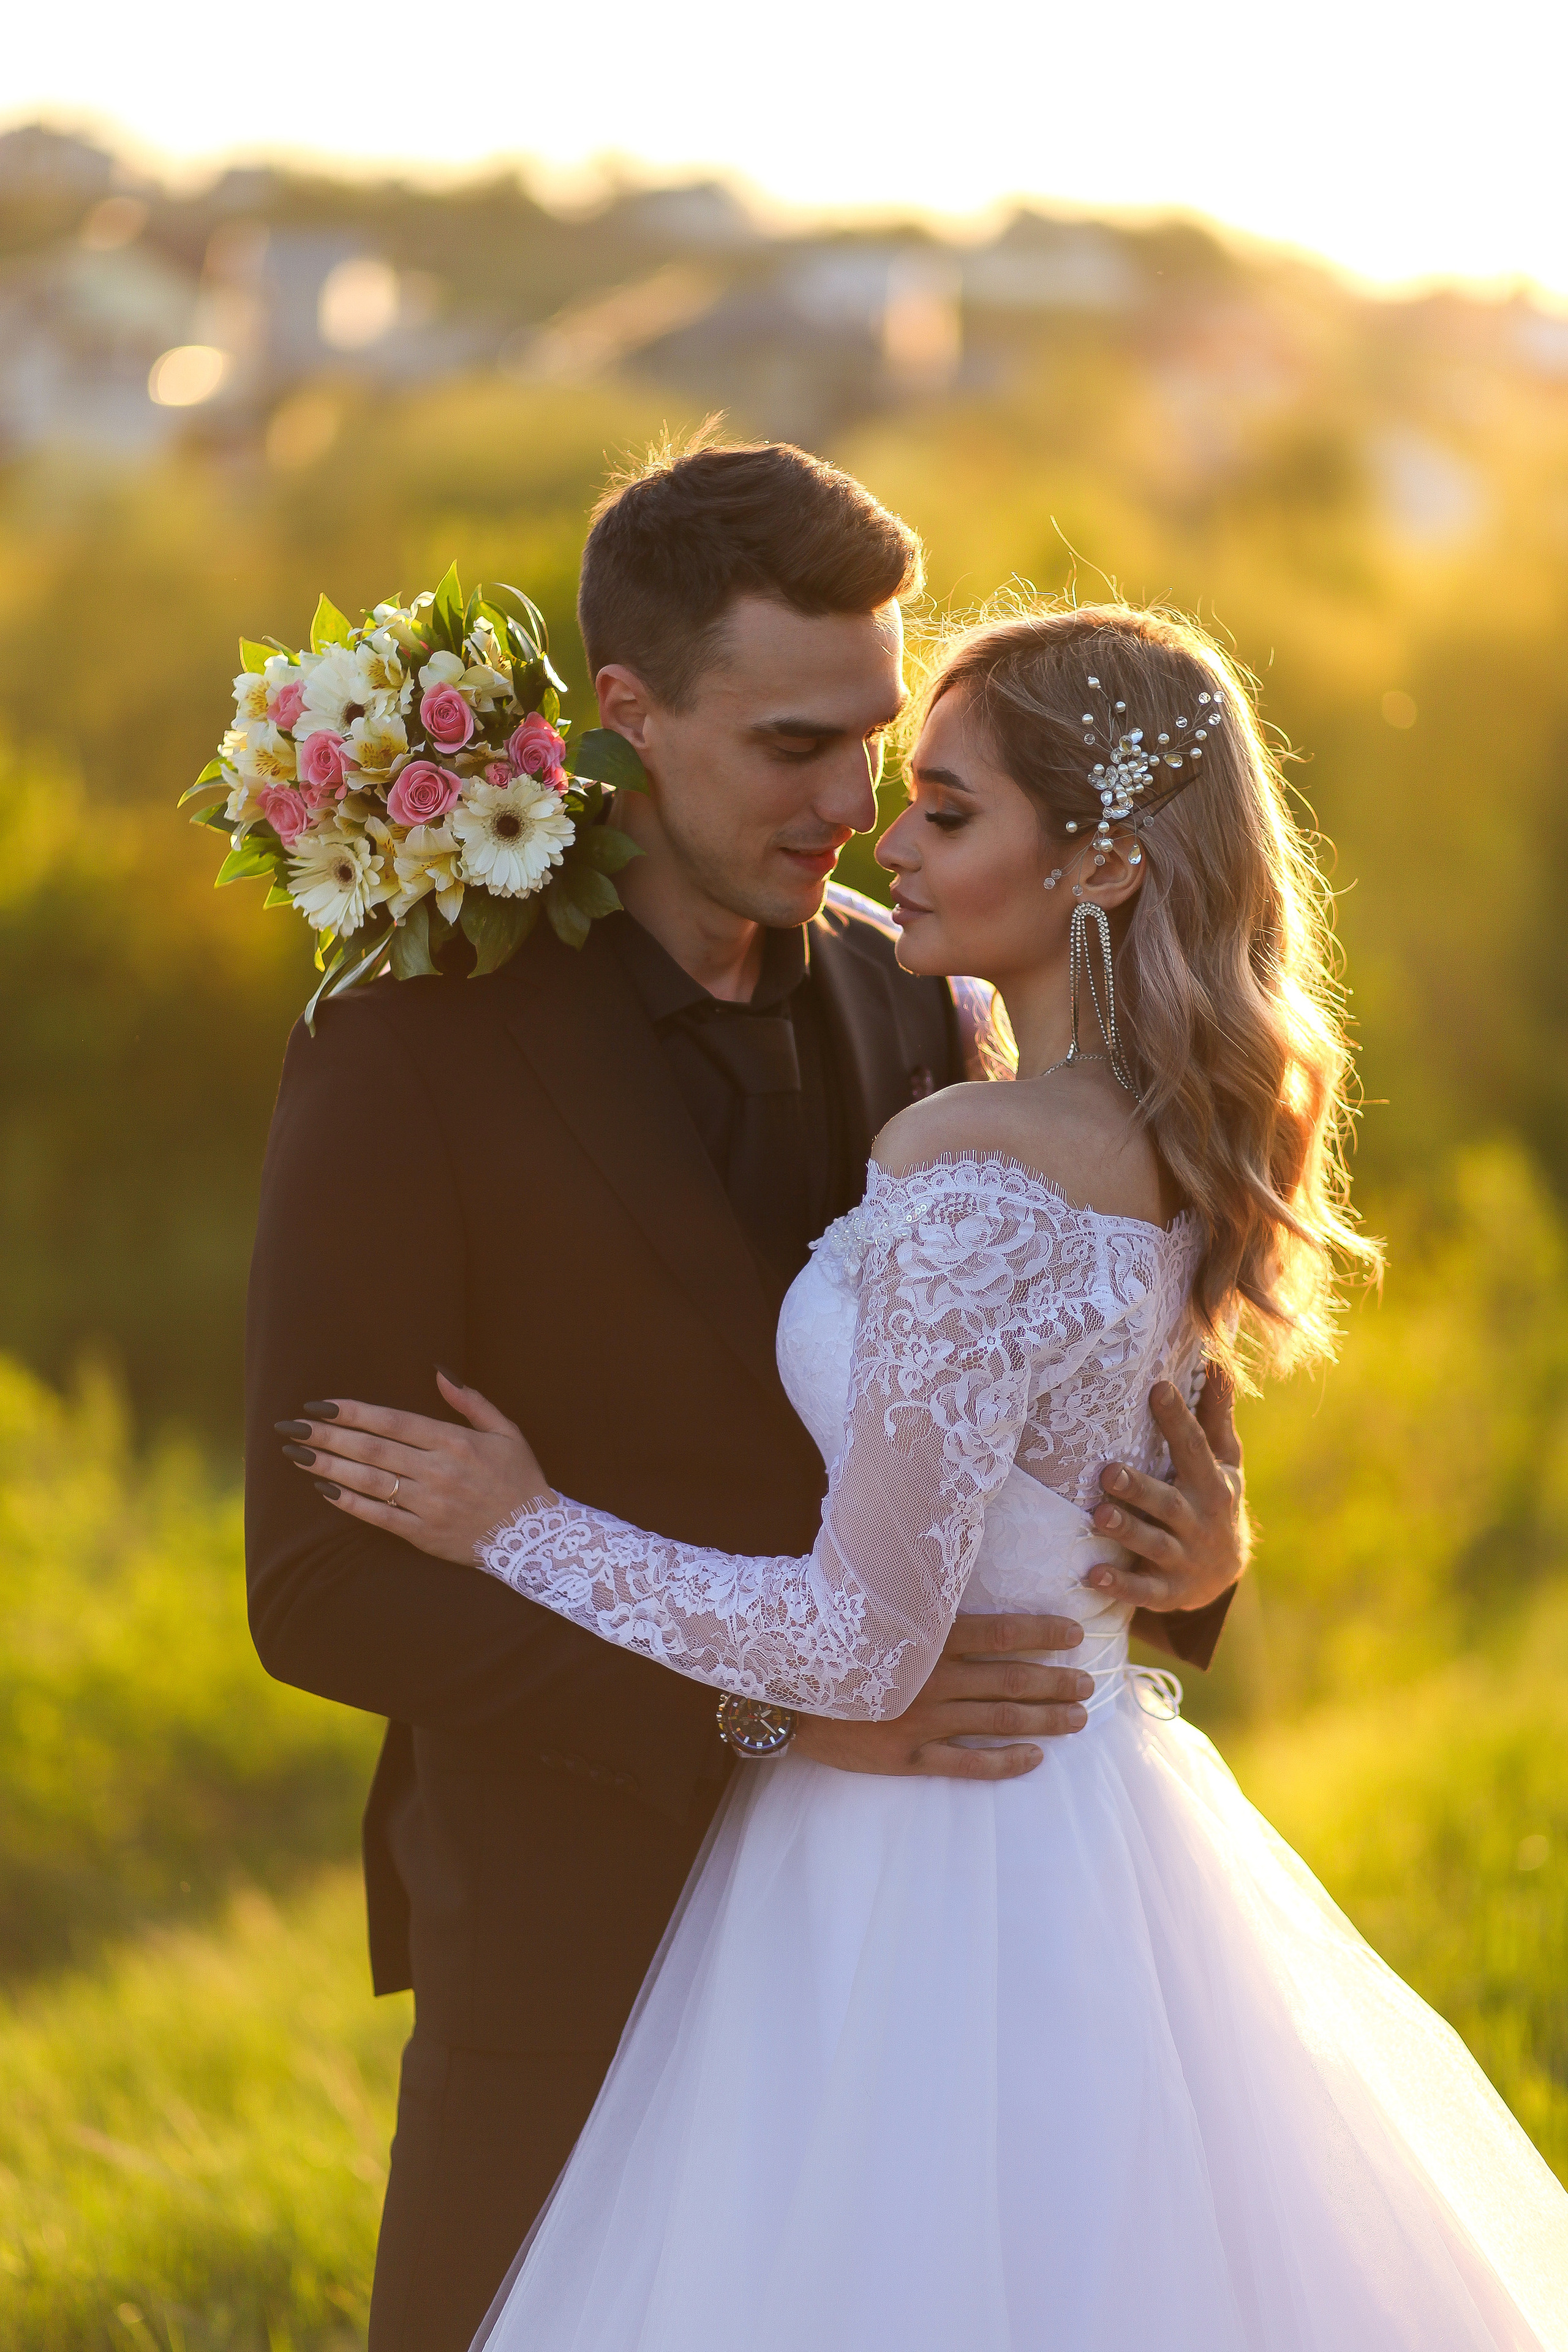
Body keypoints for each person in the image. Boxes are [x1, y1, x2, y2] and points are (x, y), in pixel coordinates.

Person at [296, 601, 1568, 2350]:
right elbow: (1095, 1462)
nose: (885, 841)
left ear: (1103, 862)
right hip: (1089, 1810)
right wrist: (1200, 1548)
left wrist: (524, 1527)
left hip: (920, 1853)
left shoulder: (969, 1160)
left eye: (946, 812)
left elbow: (862, 1646)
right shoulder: (1155, 1130)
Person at [244, 447, 1250, 2352]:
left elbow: (1061, 1403)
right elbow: (317, 1585)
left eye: (877, 739)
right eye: (795, 745)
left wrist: (1201, 1554)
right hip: (571, 1927)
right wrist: (776, 1716)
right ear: (629, 712)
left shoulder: (930, 1002)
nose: (853, 804)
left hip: (948, 1936)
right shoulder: (407, 1052)